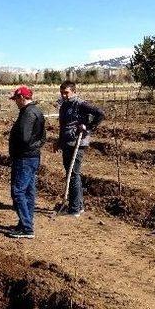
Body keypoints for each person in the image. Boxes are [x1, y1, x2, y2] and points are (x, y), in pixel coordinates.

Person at [54, 80, 105, 217]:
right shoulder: (64, 106)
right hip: (66, 143)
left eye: (66, 93)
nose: (64, 95)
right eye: (62, 93)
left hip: (77, 143)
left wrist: (88, 127)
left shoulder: (80, 104)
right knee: (71, 174)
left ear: (74, 92)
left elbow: (100, 113)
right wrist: (59, 141)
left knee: (73, 174)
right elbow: (63, 125)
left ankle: (74, 209)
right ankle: (78, 205)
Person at [7, 86, 46, 239]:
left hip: (24, 158)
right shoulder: (36, 111)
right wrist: (35, 146)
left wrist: (20, 148)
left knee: (18, 191)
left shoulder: (28, 113)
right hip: (32, 156)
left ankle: (27, 228)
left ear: (22, 98)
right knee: (29, 192)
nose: (15, 102)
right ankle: (25, 222)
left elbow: (24, 137)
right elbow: (43, 137)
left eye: (16, 99)